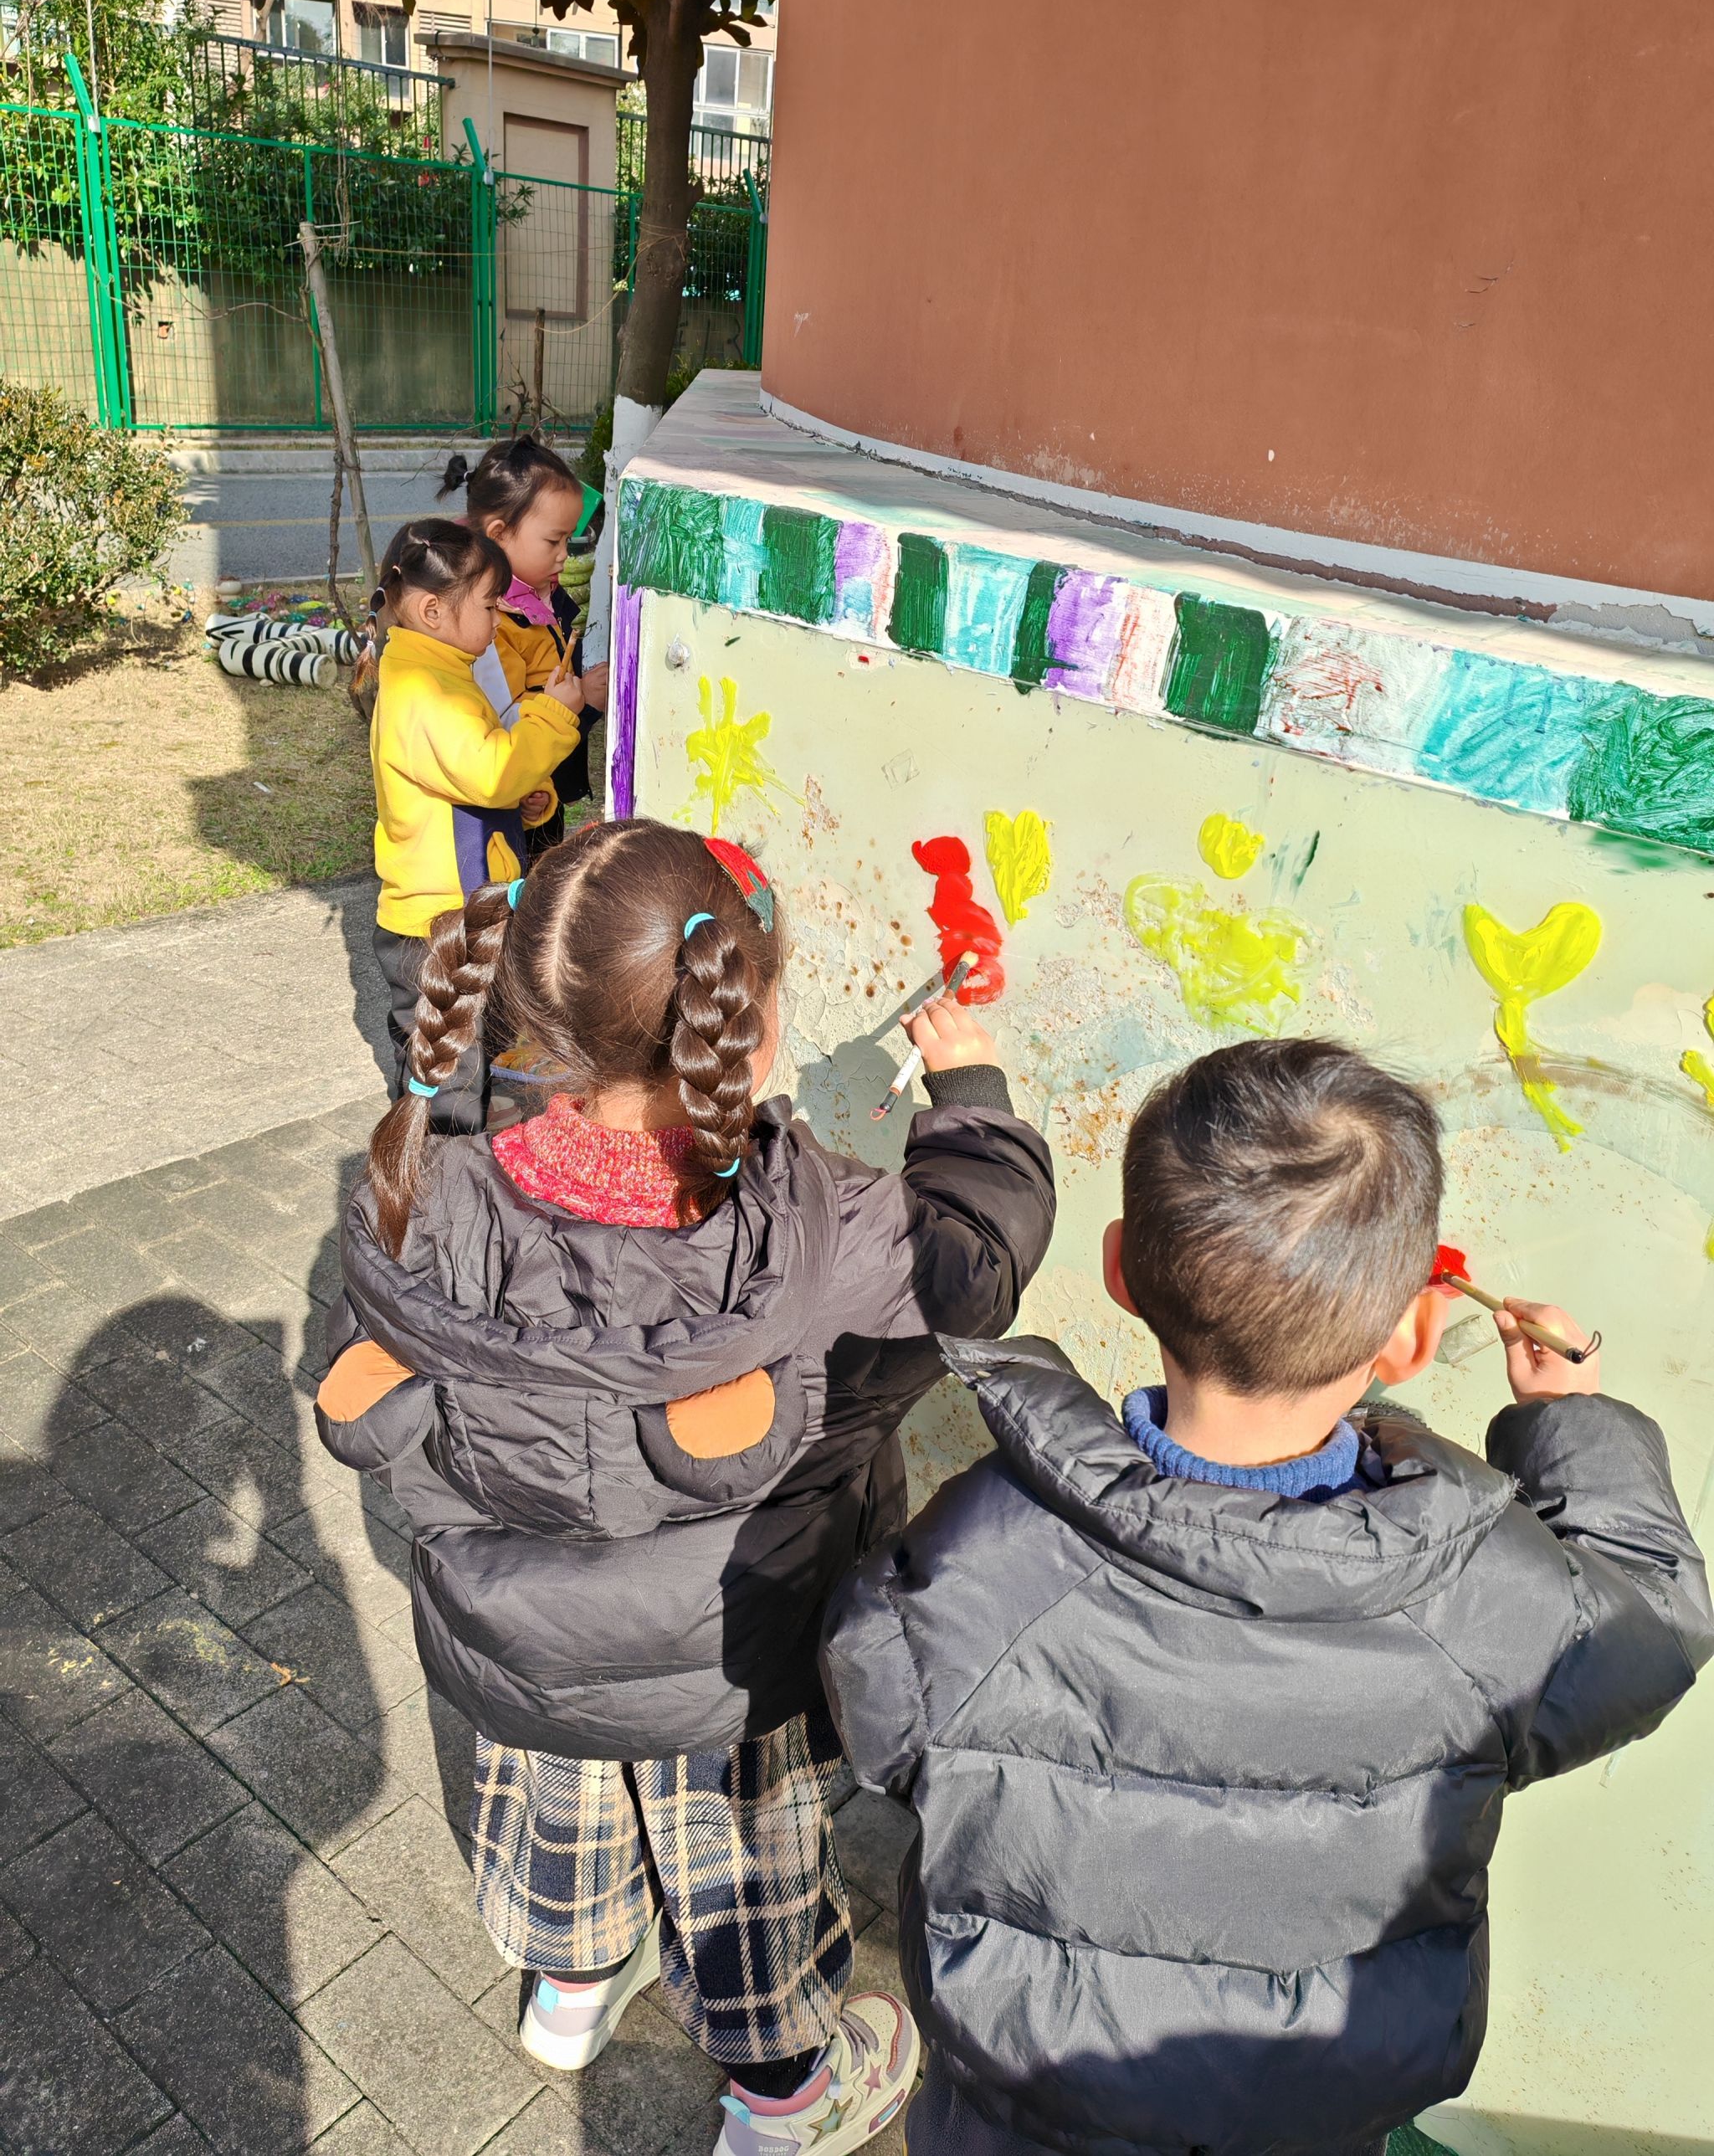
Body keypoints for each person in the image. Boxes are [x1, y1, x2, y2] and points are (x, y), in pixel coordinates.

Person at [822, 1036, 1713, 2156]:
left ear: (1119, 1270)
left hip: (1017, 2117)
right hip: (1310, 2117)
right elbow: (1652, 1621)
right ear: (1414, 1333)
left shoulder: (986, 1545)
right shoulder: (1487, 1601)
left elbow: (875, 1698)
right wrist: (1566, 1419)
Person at [315, 819, 1056, 2154]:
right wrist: (971, 1099)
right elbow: (975, 1266)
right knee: (742, 1886)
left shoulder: (428, 1185)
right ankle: (785, 2097)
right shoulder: (816, 1222)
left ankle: (570, 1989)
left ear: (533, 1013)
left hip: (522, 1640)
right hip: (727, 1658)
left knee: (564, 1808)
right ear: (750, 1028)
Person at [368, 516, 581, 1132]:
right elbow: (490, 773)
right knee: (446, 1071)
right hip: (436, 924)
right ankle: (438, 1167)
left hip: (458, 909)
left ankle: (460, 1148)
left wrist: (530, 799)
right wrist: (551, 715)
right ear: (433, 611)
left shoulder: (440, 671)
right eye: (490, 606)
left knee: (466, 1049)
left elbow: (480, 771)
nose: (497, 620)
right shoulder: (422, 689)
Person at [439, 437, 605, 849]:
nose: (564, 555)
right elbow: (499, 726)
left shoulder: (537, 596)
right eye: (553, 541)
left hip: (540, 786)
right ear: (499, 534)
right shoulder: (487, 625)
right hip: (516, 808)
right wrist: (582, 702)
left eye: (568, 540)